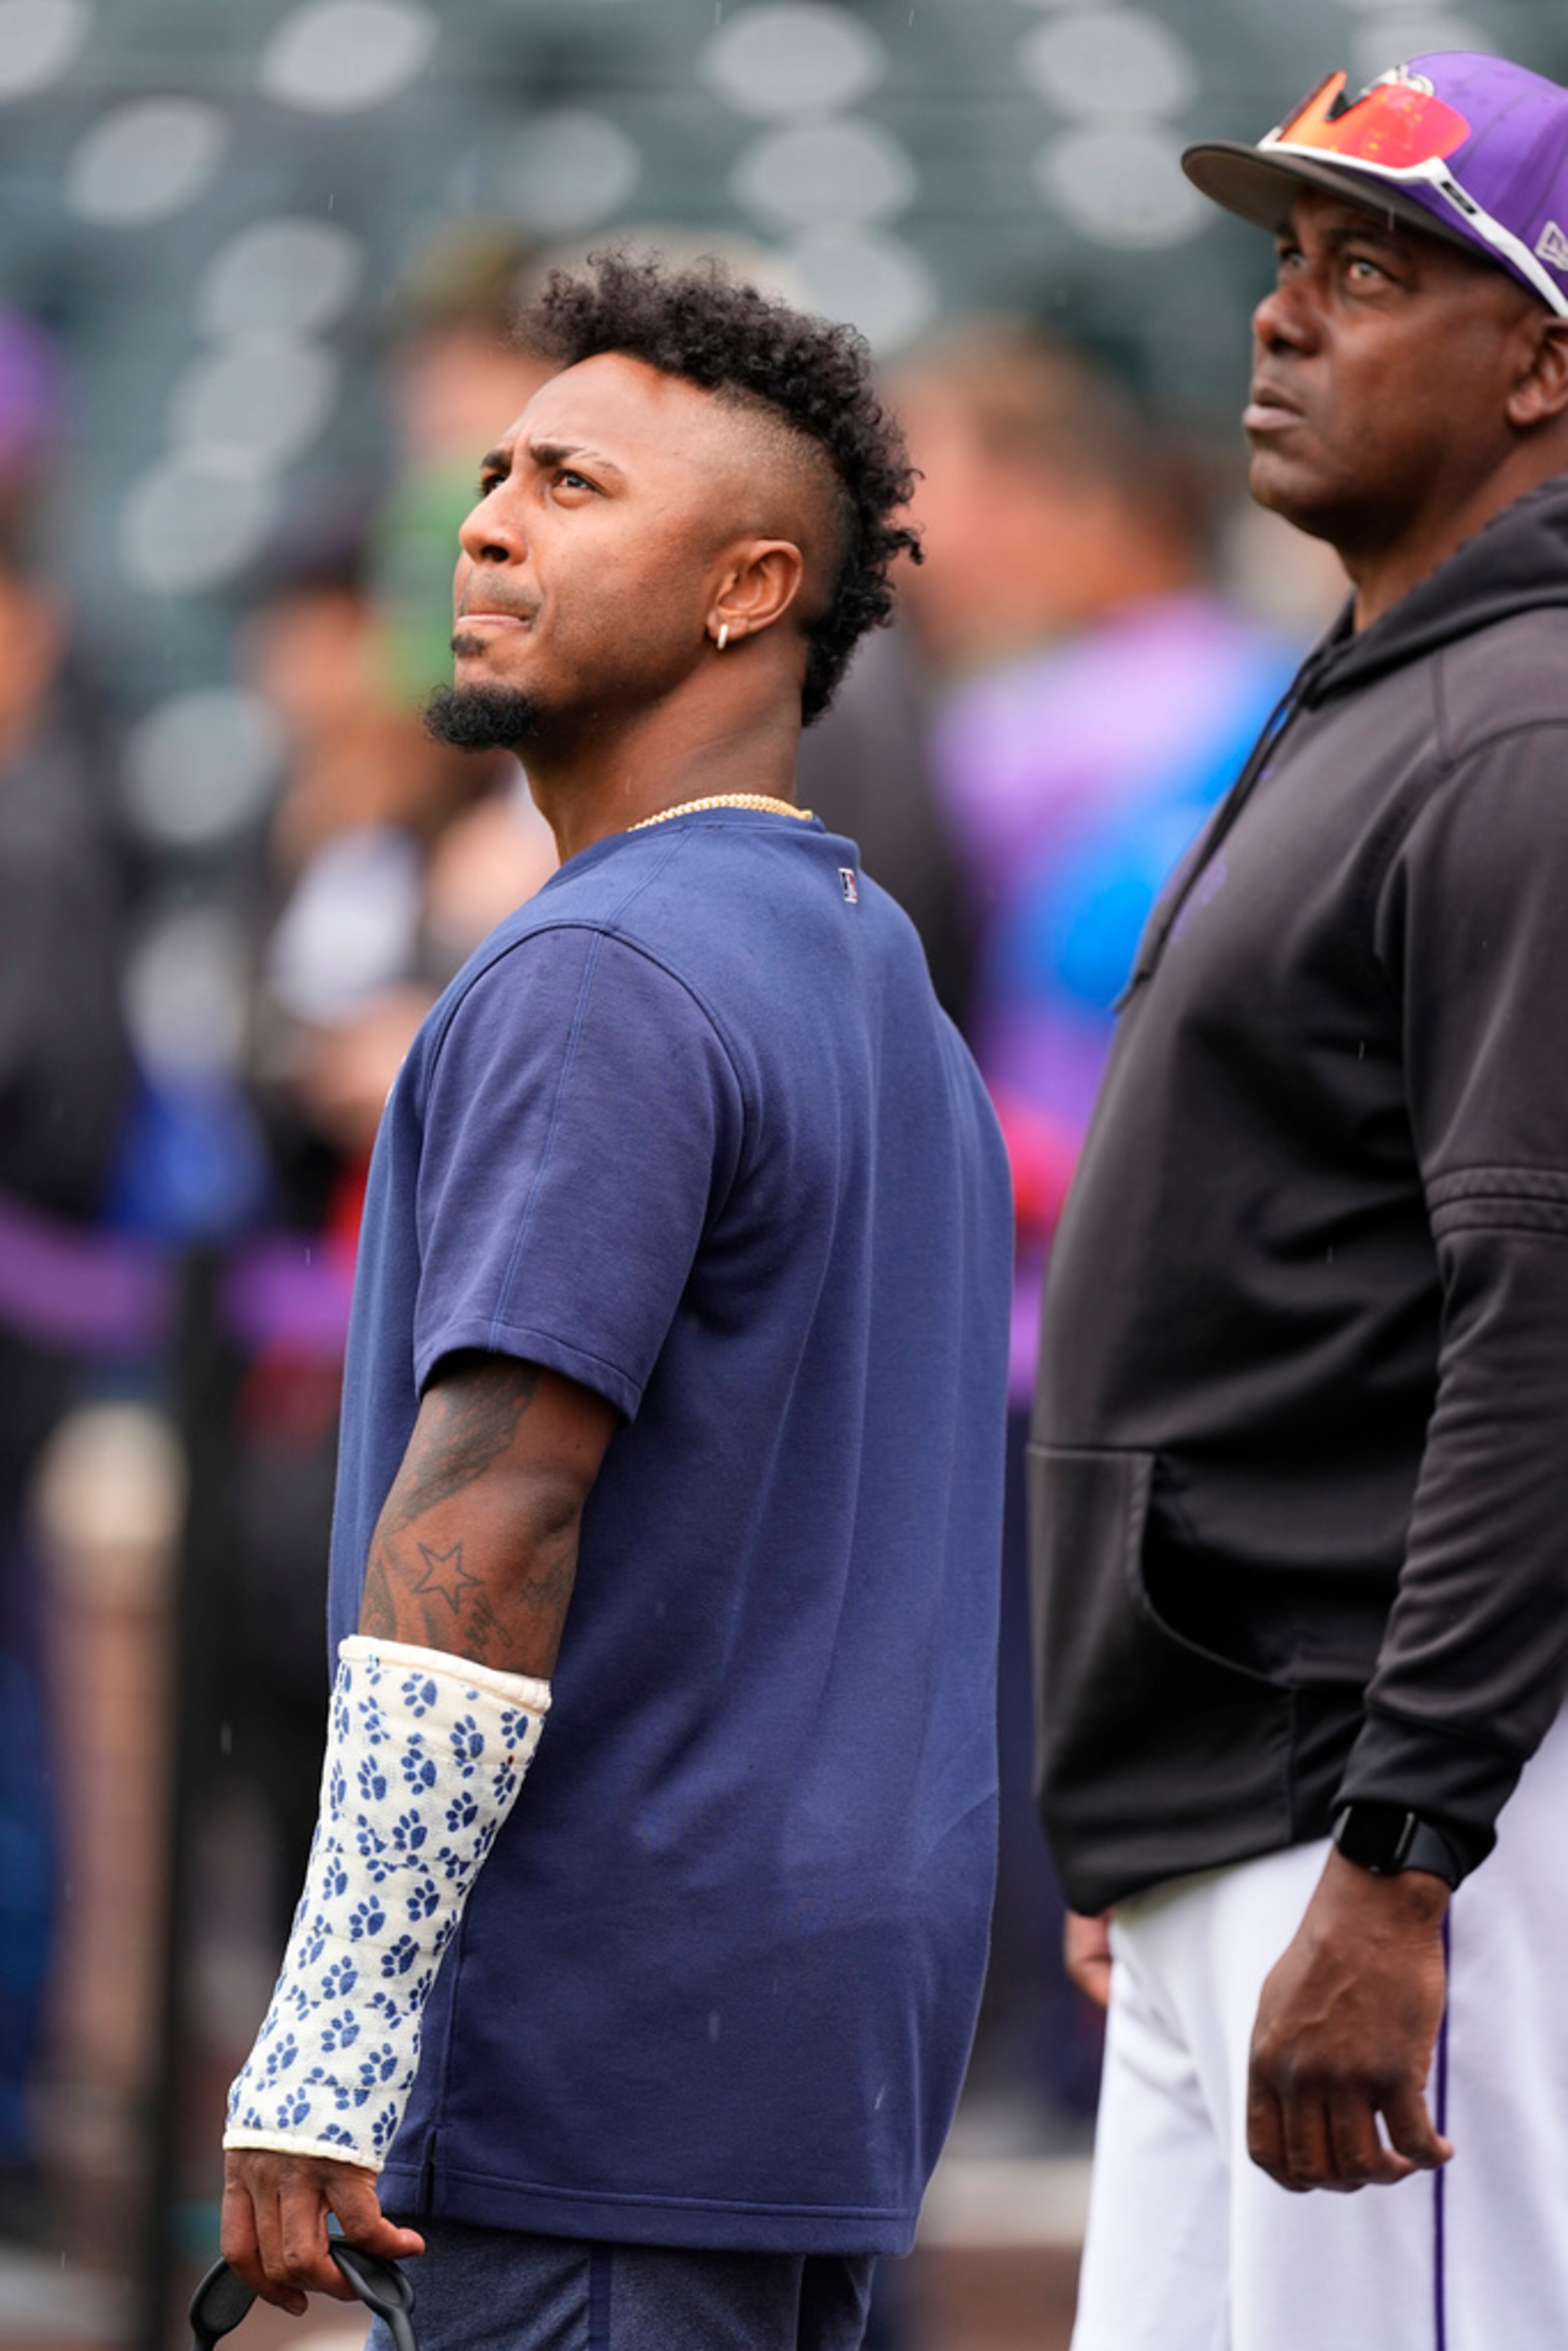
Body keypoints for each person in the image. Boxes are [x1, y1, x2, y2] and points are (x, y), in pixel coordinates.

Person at [219, 252, 1013, 2351]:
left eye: (571, 484)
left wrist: (333, 2022)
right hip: (810, 2047)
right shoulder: (880, 974)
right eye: (492, 469)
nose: (483, 520)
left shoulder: (601, 970)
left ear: (751, 588)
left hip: (604, 2044)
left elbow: (497, 1508)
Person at [1031, 51, 1568, 2351]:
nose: (1286, 315)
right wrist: (1152, 1792)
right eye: (1285, 262)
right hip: (1247, 1802)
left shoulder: (1529, 723)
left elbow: (1540, 1310)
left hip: (1394, 1813)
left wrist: (1404, 1850)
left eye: (1377, 268)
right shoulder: (1389, 681)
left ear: (1545, 359)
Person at [889, 321, 1295, 2142]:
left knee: (1014, 1758)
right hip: (1203, 1343)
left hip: (1055, 1345)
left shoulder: (1044, 730)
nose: (906, 541)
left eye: (941, 483)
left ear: (1070, 496)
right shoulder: (1291, 686)